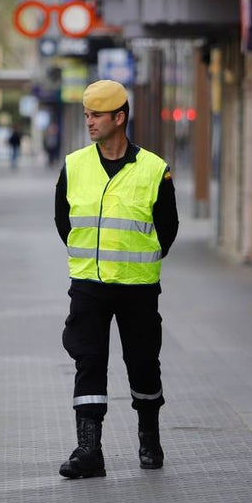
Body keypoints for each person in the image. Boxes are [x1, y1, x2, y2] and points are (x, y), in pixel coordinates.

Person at [53, 80, 179, 478]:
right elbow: (63, 220)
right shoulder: (74, 166)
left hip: (138, 288)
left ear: (119, 117)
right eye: (86, 114)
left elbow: (168, 228)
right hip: (88, 285)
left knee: (143, 365)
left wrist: (138, 261)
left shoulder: (155, 170)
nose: (89, 122)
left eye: (96, 115)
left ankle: (149, 437)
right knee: (88, 363)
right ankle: (89, 450)